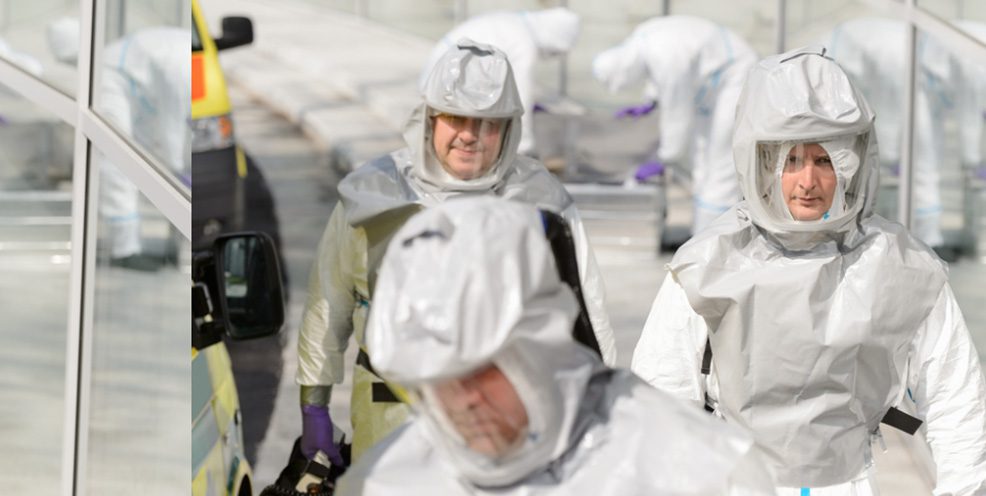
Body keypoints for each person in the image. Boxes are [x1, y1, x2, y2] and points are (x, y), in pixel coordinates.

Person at [631, 46, 986, 494]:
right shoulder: (709, 264)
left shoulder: (898, 265)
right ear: (758, 162)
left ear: (854, 162)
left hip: (848, 482)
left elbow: (957, 397)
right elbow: (661, 400)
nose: (807, 182)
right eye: (790, 161)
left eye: (824, 160)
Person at [295, 40, 615, 470]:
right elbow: (328, 304)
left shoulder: (542, 203)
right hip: (390, 421)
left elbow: (588, 317)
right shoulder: (375, 194)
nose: (469, 135)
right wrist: (313, 405)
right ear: (429, 119)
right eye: (455, 118)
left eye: (487, 123)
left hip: (506, 425)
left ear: (509, 129)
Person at [335, 196, 775, 495]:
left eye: (480, 369)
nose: (463, 401)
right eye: (435, 382)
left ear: (540, 346)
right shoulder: (390, 482)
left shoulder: (694, 470)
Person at [592, 16, 758, 235]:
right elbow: (665, 74)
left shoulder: (662, 54)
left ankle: (715, 242)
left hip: (735, 77)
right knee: (703, 165)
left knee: (720, 167)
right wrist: (651, 100)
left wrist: (665, 159)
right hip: (715, 83)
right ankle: (701, 235)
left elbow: (676, 116)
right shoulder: (644, 41)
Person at [47, 17, 189, 271]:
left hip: (141, 86)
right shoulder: (182, 70)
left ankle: (162, 242)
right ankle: (125, 250)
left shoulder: (183, 61)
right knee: (117, 160)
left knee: (136, 160)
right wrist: (176, 165)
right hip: (119, 79)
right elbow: (173, 122)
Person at [825, 18, 953, 257]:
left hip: (864, 70)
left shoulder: (905, 42)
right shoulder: (899, 47)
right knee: (919, 152)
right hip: (859, 72)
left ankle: (924, 237)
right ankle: (928, 238)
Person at [419, 7, 580, 157]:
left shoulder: (511, 23)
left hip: (439, 76)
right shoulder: (523, 42)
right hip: (452, 83)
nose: (551, 56)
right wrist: (523, 146)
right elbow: (520, 98)